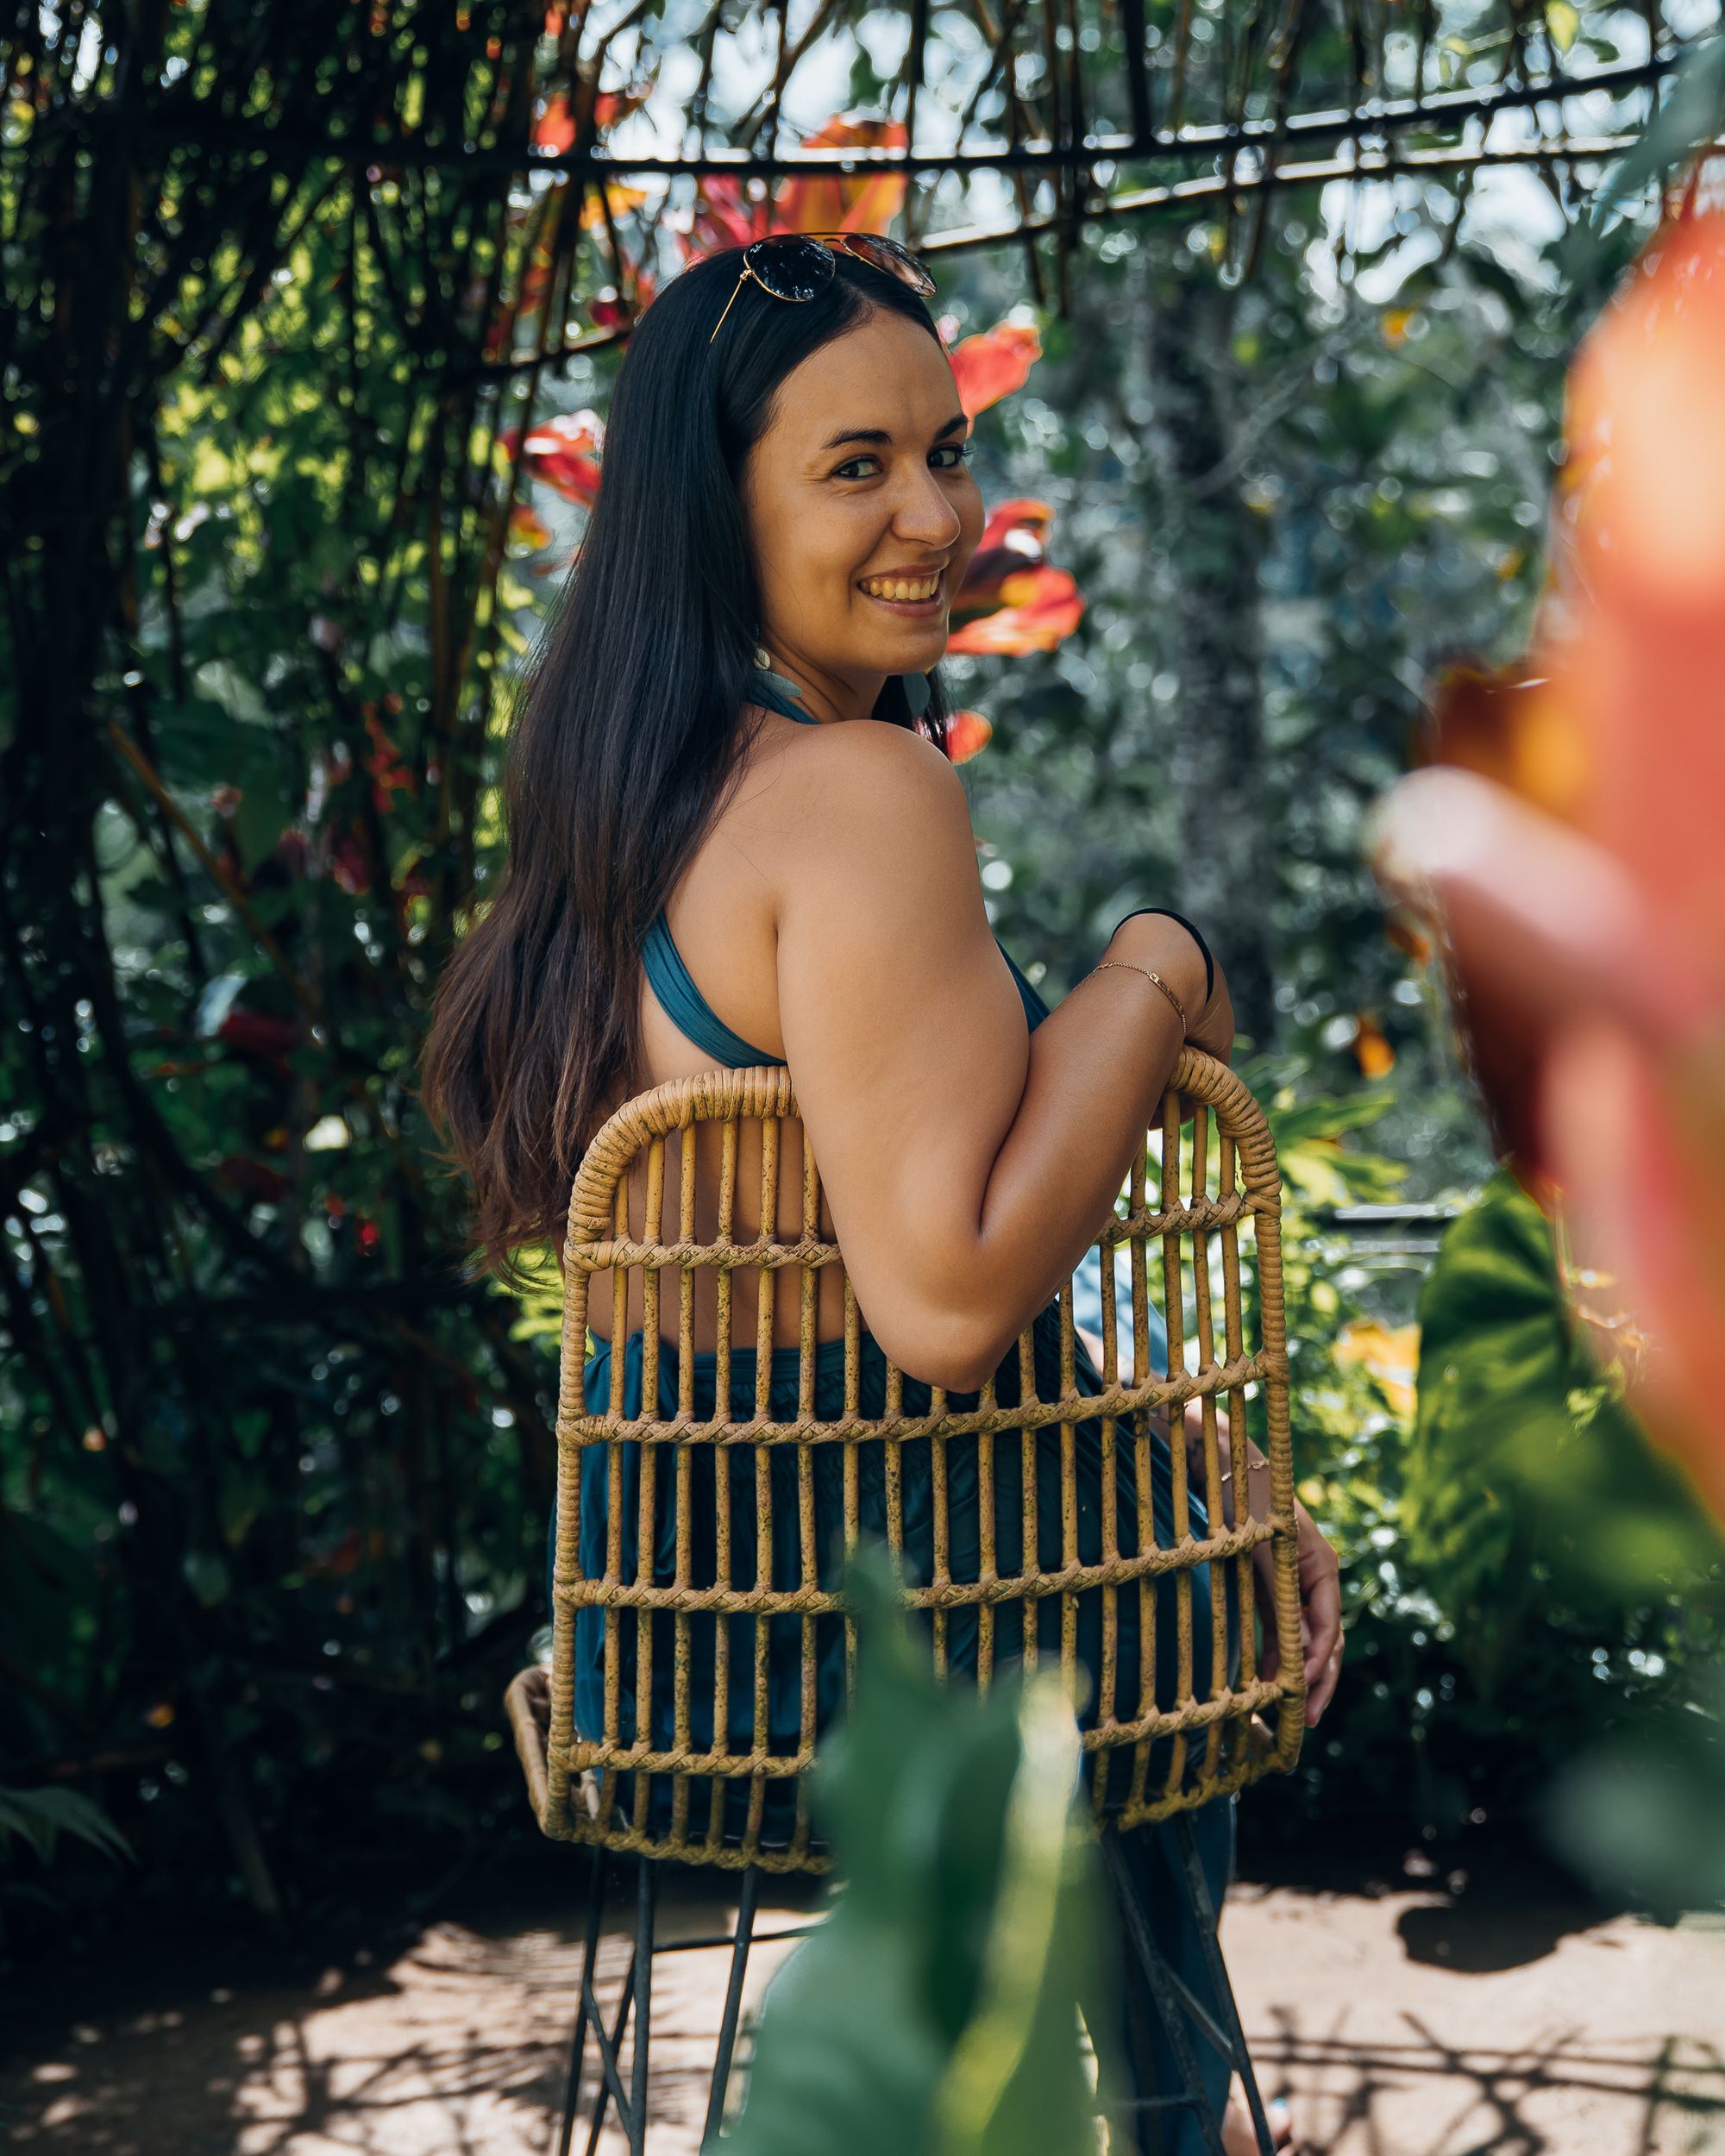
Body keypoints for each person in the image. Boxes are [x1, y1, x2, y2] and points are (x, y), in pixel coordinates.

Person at [423, 234, 1342, 2154]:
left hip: (673, 1629)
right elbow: (939, 1310)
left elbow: (863, 1295)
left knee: (1173, 1530)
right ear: (715, 503)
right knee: (1176, 1609)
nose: (937, 512)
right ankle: (1179, 2120)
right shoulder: (858, 794)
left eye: (944, 451)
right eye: (857, 466)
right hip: (906, 1637)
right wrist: (1156, 964)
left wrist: (1205, 1464)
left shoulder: (633, 798)